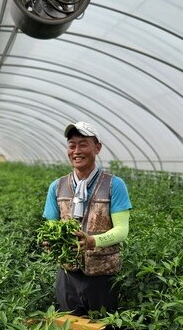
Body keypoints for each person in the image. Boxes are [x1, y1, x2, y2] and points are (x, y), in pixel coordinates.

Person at [42, 121, 132, 316]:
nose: (76, 151)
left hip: (103, 275)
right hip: (68, 274)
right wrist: (51, 241)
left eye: (83, 144)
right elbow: (51, 227)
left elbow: (121, 230)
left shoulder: (114, 185)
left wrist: (92, 241)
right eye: (72, 145)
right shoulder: (57, 187)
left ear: (97, 148)